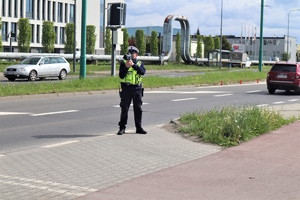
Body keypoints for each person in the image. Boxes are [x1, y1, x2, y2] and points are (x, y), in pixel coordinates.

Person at [117, 46, 147, 135]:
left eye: (132, 53)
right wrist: (126, 67)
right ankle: (122, 128)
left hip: (137, 89)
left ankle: (139, 127)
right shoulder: (123, 63)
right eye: (129, 53)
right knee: (124, 109)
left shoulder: (140, 63)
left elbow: (142, 72)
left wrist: (134, 66)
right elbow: (121, 76)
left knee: (138, 109)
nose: (130, 55)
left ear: (136, 55)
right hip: (126, 89)